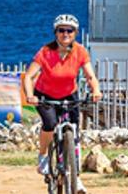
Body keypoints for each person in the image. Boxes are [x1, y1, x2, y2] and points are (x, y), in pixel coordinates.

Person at [20, 13, 101, 180]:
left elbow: (90, 76)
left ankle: (74, 176)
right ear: (56, 33)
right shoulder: (45, 52)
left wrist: (96, 90)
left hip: (69, 94)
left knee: (74, 131)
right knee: (50, 124)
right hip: (45, 95)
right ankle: (43, 156)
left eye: (70, 31)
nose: (66, 34)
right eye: (61, 30)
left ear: (75, 33)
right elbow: (28, 76)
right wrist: (30, 95)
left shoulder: (80, 51)